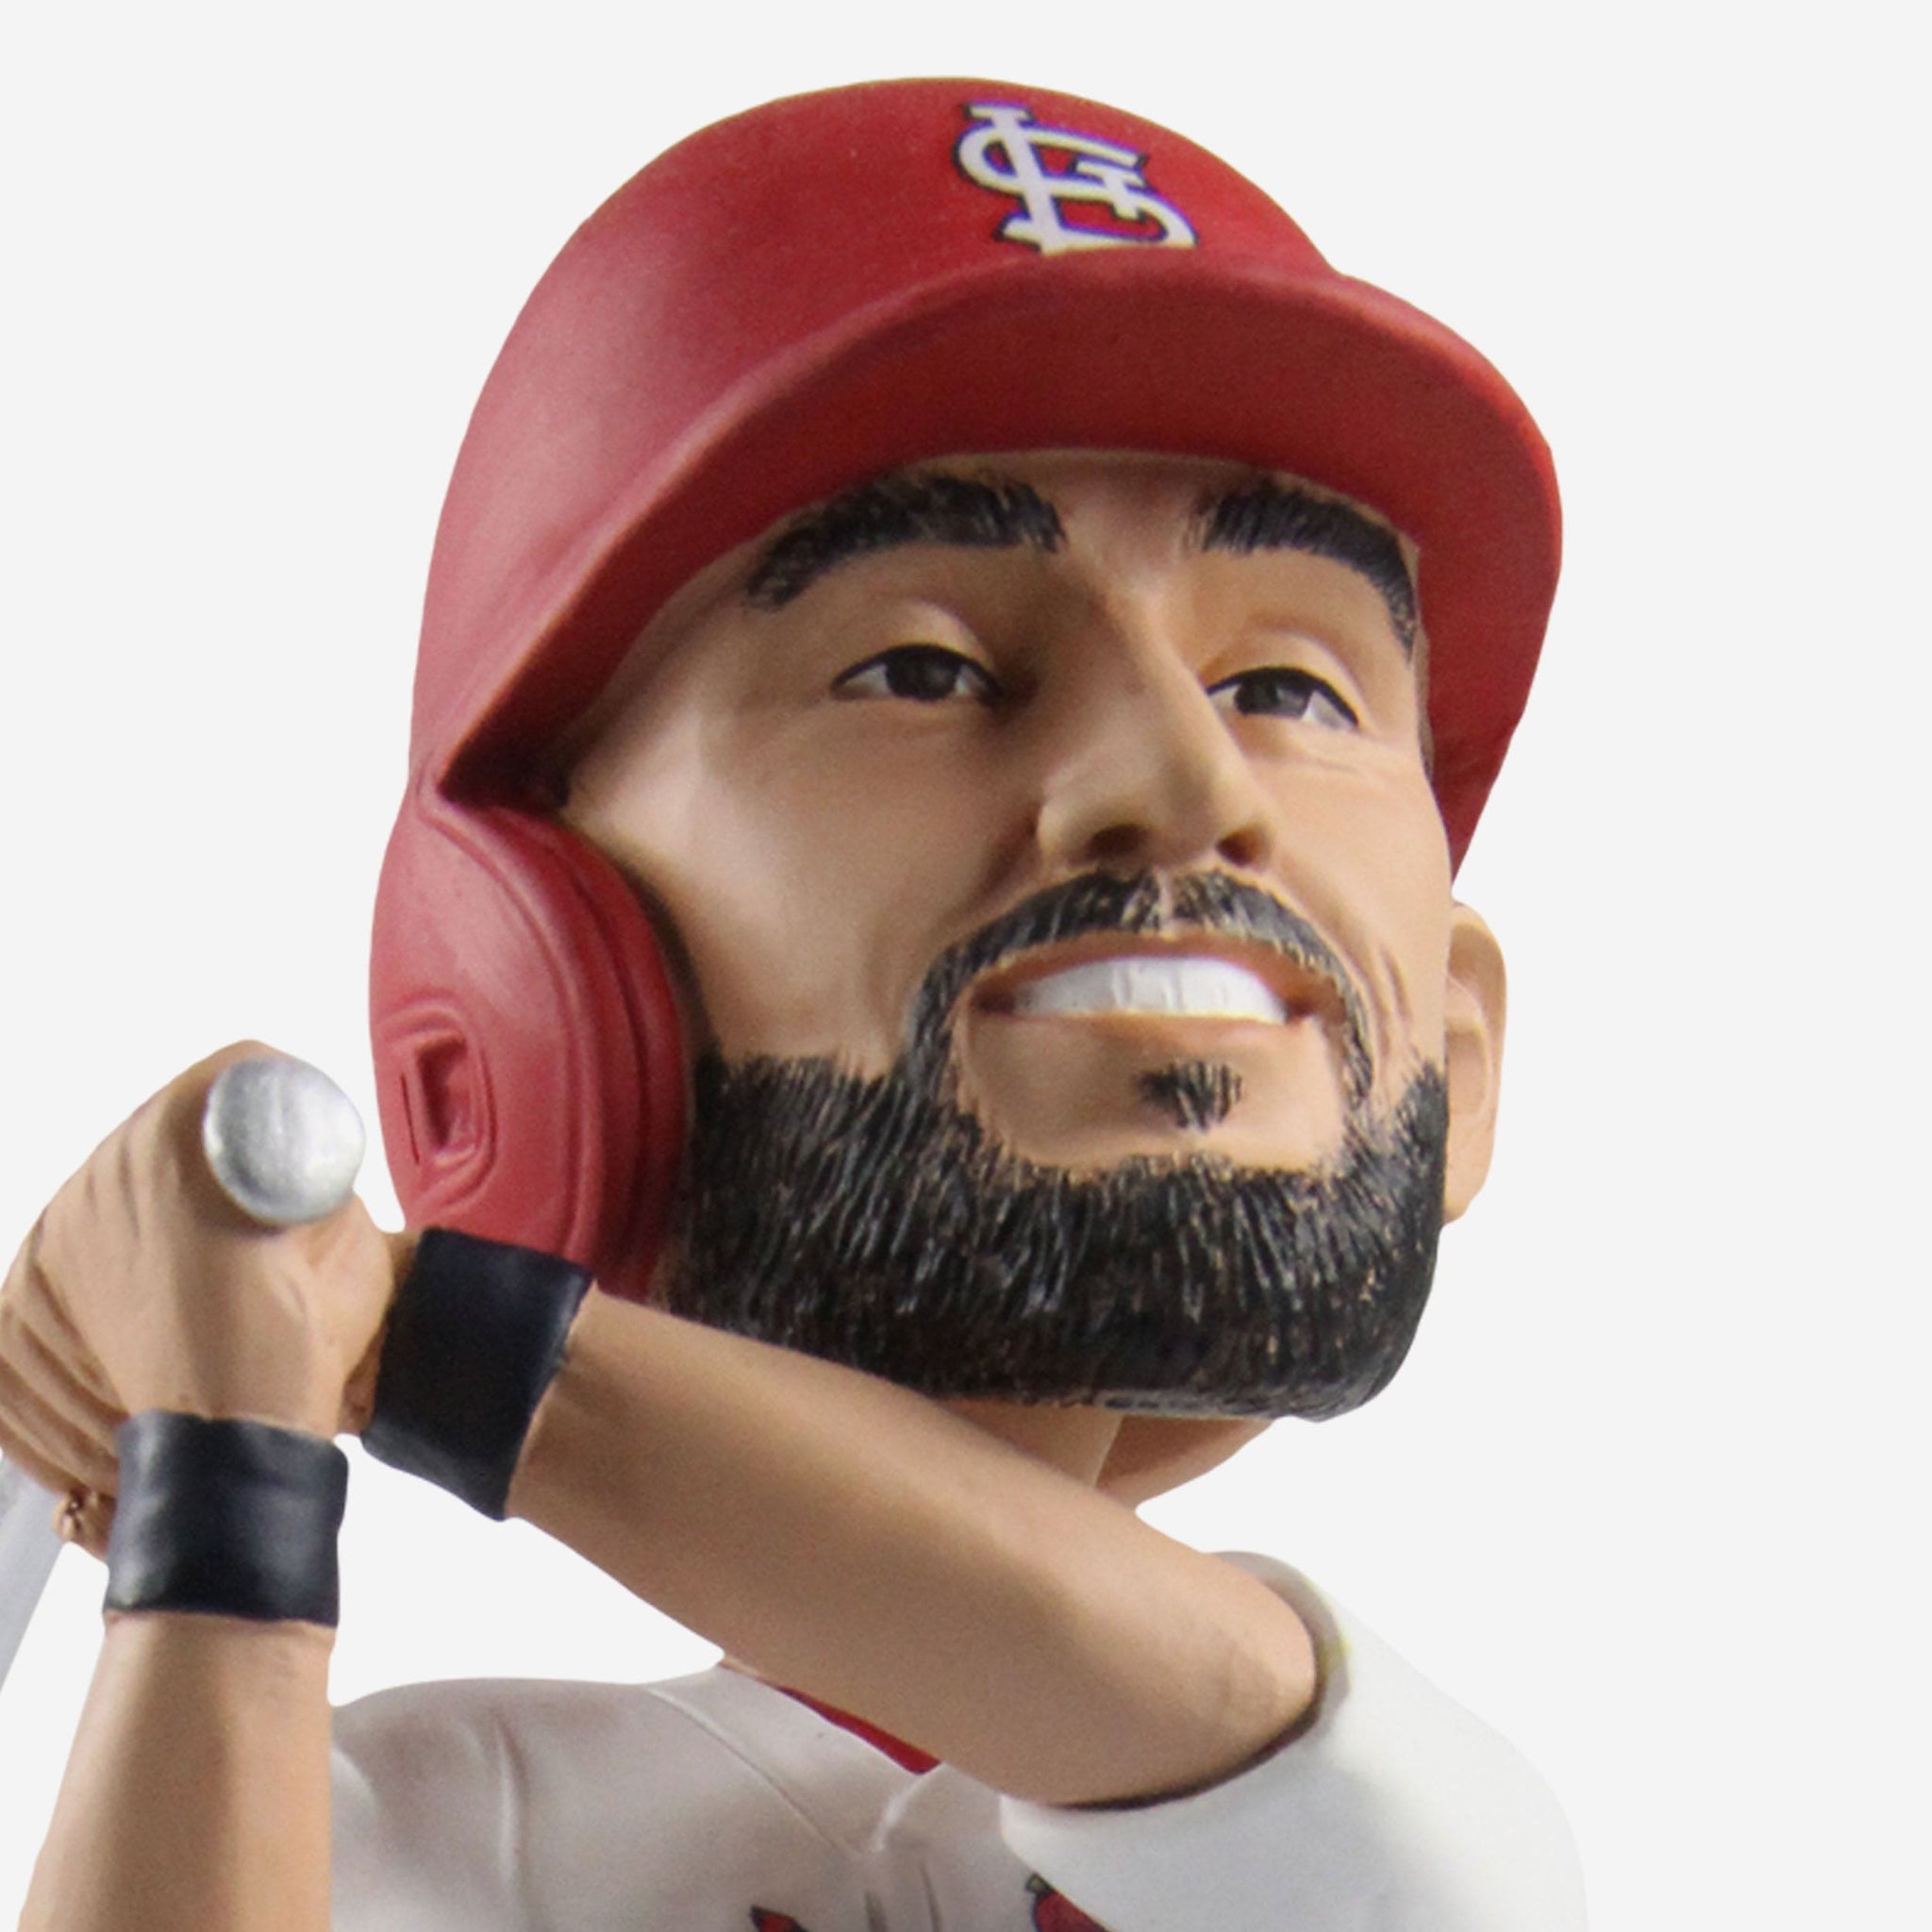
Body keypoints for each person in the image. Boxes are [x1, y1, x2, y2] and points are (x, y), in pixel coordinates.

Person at [0, 79, 1584, 1930]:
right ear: (529, 990)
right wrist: (189, 1477)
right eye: (922, 668)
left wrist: (373, 1328)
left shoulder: (1410, 1812)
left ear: (1456, 1046)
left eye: (1291, 690)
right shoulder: (421, 1827)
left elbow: (1208, 1711)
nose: (1183, 780)